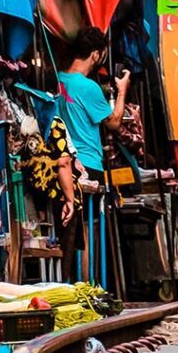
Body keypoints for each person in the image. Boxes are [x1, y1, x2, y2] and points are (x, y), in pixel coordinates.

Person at [51, 26, 130, 282]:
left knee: (66, 231)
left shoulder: (57, 80)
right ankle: (88, 287)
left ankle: (68, 284)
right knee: (87, 231)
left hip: (61, 165)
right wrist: (122, 90)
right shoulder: (89, 88)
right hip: (89, 165)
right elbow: (114, 122)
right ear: (96, 55)